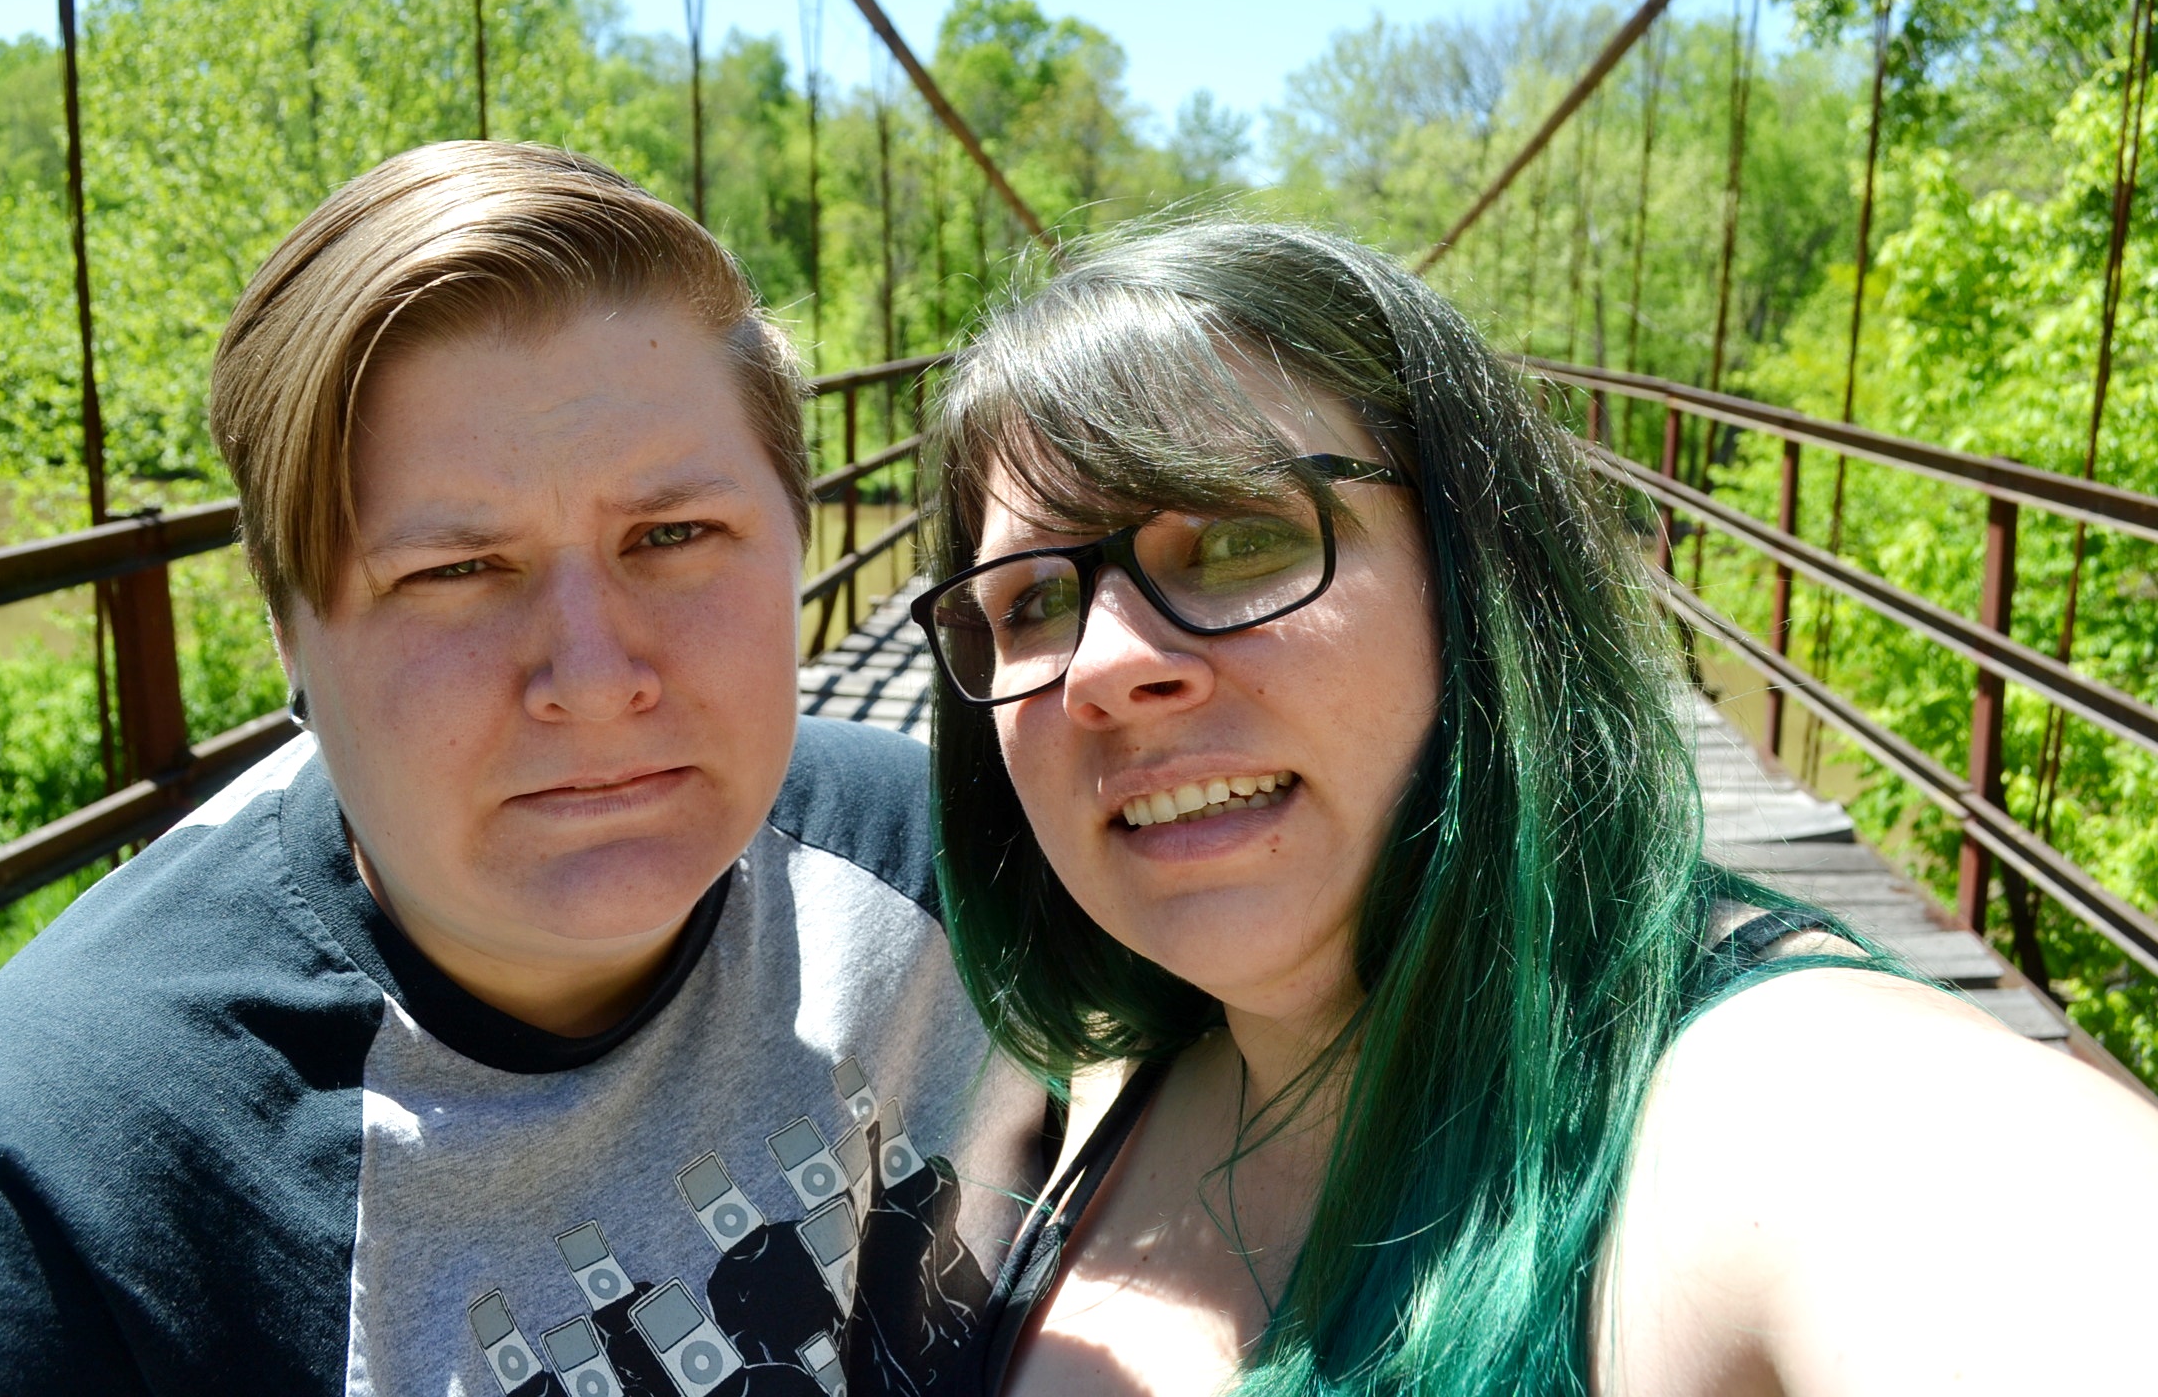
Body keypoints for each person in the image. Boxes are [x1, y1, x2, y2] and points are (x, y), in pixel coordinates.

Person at [0, 142, 1049, 1395]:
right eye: (454, 571)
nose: (593, 677)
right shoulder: (50, 1189)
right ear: (287, 636)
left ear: (798, 546)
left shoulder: (956, 866)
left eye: (676, 533)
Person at [911, 220, 2158, 1396]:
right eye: (1030, 602)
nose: (1105, 666)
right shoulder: (1082, 1077)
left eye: (1239, 539)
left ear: (1478, 577)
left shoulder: (1781, 1109)